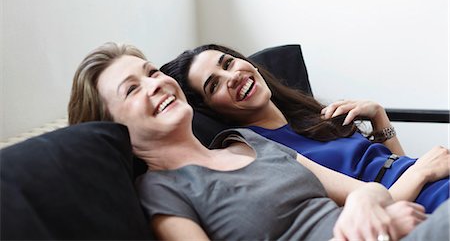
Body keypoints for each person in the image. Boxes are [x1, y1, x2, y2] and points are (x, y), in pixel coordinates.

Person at [67, 42, 449, 241]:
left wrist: (367, 207)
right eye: (132, 89)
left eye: (150, 72)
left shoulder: (249, 141)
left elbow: (367, 192)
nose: (155, 84)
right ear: (112, 126)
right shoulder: (160, 191)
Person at [161, 44, 450, 213]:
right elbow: (373, 203)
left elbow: (392, 165)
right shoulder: (260, 149)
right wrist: (422, 171)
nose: (232, 76)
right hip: (414, 205)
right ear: (212, 110)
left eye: (228, 63)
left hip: (427, 182)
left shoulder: (307, 113)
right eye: (215, 85)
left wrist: (379, 118)